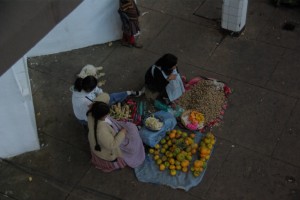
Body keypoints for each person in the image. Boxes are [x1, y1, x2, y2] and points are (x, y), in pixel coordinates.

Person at [87, 97, 145, 172]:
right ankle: (131, 154)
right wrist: (122, 133)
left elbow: (105, 96)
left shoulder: (91, 113)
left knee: (132, 128)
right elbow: (112, 145)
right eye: (106, 114)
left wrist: (95, 103)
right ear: (102, 116)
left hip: (109, 133)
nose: (108, 115)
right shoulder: (101, 131)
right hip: (108, 151)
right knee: (132, 146)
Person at [71, 75, 143, 125]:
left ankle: (128, 93)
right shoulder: (84, 103)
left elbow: (97, 90)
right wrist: (108, 121)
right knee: (108, 121)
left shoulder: (85, 84)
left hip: (94, 102)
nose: (95, 88)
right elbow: (91, 116)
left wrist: (102, 95)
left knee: (111, 96)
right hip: (85, 118)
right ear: (89, 89)